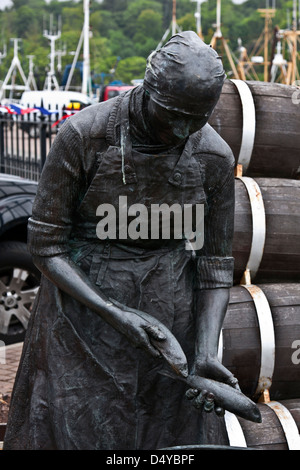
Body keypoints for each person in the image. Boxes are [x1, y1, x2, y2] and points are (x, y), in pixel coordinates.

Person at [4, 31, 237, 450]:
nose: (182, 130)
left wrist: (205, 350)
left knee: (164, 436)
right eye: (173, 115)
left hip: (171, 316)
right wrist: (114, 312)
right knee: (75, 428)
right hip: (80, 311)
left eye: (196, 118)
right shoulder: (83, 137)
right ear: (147, 90)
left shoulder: (214, 157)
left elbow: (215, 263)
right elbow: (46, 246)